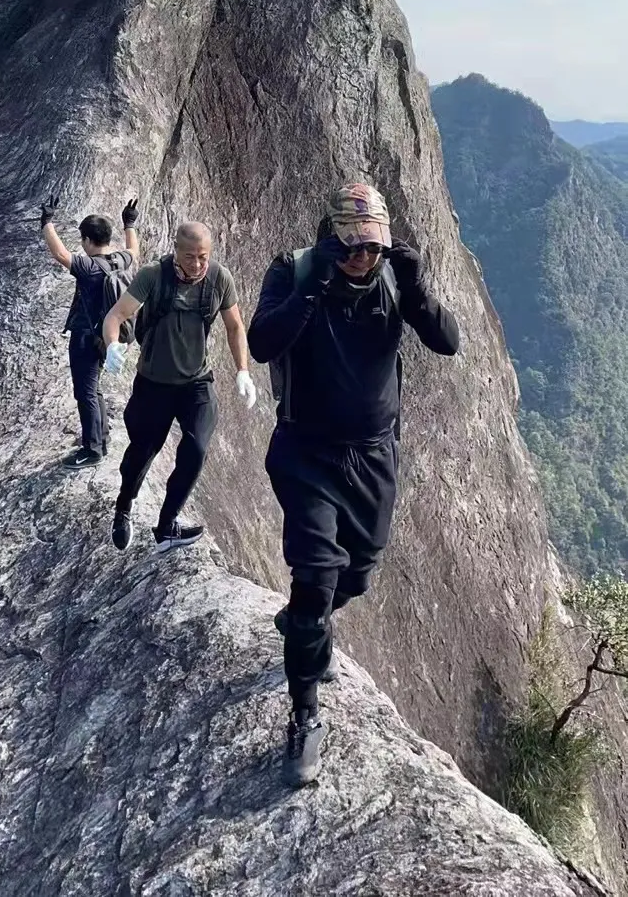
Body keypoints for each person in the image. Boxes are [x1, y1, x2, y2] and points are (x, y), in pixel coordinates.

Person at [247, 183, 459, 788]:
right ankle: (305, 715)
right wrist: (311, 289)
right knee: (315, 578)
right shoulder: (294, 271)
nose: (363, 259)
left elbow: (448, 343)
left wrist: (418, 291)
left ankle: (302, 620)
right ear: (333, 236)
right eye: (353, 247)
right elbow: (263, 343)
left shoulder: (394, 283)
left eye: (373, 249)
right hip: (307, 453)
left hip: (372, 458)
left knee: (358, 573)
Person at [102, 222, 256, 554]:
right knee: (141, 453)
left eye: (203, 257)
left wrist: (243, 370)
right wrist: (113, 345)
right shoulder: (153, 275)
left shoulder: (218, 278)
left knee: (197, 449)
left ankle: (167, 524)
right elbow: (116, 316)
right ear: (176, 251)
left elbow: (235, 326)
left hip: (196, 383)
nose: (198, 264)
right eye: (190, 257)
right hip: (154, 384)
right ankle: (123, 508)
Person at [41, 194, 140, 469]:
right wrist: (129, 223)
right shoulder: (121, 260)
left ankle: (92, 450)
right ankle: (101, 438)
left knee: (85, 392)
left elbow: (60, 253)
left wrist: (47, 221)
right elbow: (134, 250)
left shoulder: (88, 267)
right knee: (93, 389)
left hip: (86, 337)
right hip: (109, 337)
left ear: (86, 241)